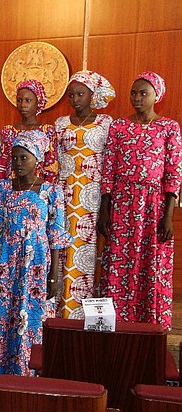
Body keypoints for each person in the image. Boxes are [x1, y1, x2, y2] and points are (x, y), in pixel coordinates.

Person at [98, 71, 182, 332]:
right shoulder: (119, 126)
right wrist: (105, 210)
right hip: (123, 206)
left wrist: (168, 215)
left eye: (143, 93)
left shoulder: (169, 127)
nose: (137, 98)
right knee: (118, 266)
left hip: (154, 206)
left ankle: (150, 331)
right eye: (133, 93)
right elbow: (109, 169)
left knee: (151, 265)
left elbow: (173, 173)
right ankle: (117, 329)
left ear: (157, 95)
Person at [0, 130, 71, 376]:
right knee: (4, 316)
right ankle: (1, 374)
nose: (18, 163)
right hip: (5, 261)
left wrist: (54, 276)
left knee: (31, 317)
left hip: (35, 263)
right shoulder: (2, 188)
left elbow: (56, 237)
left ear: (37, 158)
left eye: (23, 158)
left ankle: (28, 375)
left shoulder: (51, 191)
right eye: (14, 158)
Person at [54, 70, 116, 318]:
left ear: (93, 95)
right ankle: (60, 316)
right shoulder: (59, 124)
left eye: (81, 94)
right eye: (71, 95)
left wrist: (104, 206)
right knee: (61, 253)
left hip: (91, 199)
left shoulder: (106, 124)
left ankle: (83, 316)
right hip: (64, 196)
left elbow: (110, 164)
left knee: (87, 257)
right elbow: (54, 162)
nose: (75, 99)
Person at [0, 80, 59, 183]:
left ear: (38, 101)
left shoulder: (47, 131)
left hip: (38, 190)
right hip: (12, 189)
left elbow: (51, 167)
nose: (23, 105)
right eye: (19, 100)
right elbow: (2, 165)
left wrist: (46, 192)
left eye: (28, 100)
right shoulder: (8, 131)